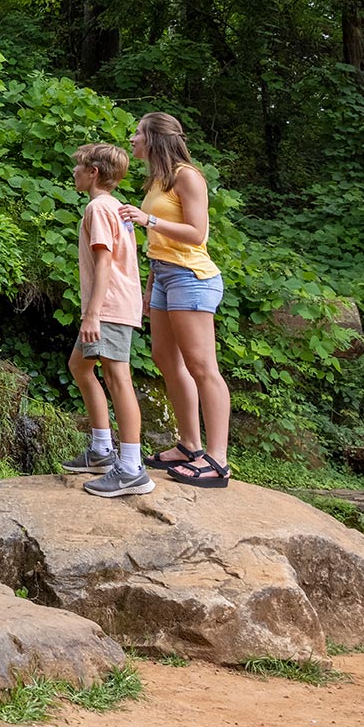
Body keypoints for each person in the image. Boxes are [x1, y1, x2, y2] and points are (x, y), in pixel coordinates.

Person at [118, 112, 230, 488]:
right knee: (166, 359)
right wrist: (151, 287)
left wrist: (147, 221)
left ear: (156, 139)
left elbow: (197, 234)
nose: (132, 139)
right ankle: (189, 446)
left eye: (138, 133)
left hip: (192, 278)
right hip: (165, 276)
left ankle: (217, 460)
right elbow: (160, 244)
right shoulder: (159, 179)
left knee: (202, 366)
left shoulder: (188, 176)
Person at [64, 143, 153, 497]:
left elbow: (104, 263)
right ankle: (102, 449)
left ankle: (131, 468)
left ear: (94, 173)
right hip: (113, 305)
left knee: (118, 378)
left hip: (109, 307)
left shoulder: (99, 208)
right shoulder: (116, 207)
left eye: (79, 167)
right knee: (80, 366)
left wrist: (92, 314)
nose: (74, 172)